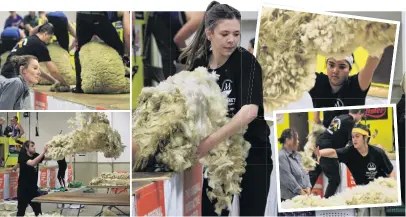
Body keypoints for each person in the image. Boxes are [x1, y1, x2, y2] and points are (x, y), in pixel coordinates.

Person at [180, 2, 272, 216]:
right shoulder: (198, 64)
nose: (231, 39)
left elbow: (249, 111)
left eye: (236, 33)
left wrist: (210, 141)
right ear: (210, 33)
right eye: (225, 34)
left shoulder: (246, 62)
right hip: (217, 156)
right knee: (213, 212)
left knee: (252, 212)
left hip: (253, 151)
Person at [309, 109, 365, 198]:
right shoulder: (351, 123)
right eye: (362, 115)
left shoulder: (340, 117)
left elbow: (334, 133)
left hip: (318, 144)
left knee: (312, 175)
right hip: (327, 149)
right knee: (334, 180)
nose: (361, 118)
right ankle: (326, 203)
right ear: (359, 112)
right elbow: (352, 143)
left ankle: (300, 198)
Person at [316, 123, 395, 185]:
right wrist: (318, 153)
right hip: (361, 191)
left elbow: (391, 172)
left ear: (365, 138)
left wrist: (390, 187)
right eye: (353, 137)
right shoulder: (349, 152)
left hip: (379, 188)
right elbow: (333, 152)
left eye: (357, 136)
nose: (354, 139)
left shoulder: (378, 152)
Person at [72, 11, 131, 93]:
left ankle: (79, 87)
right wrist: (128, 54)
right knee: (119, 47)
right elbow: (128, 34)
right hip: (97, 14)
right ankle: (120, 76)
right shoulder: (125, 11)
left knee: (80, 50)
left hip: (80, 14)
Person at [1, 23, 67, 87]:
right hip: (13, 77)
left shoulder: (29, 39)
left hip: (5, 73)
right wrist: (65, 85)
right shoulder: (40, 45)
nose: (50, 40)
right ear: (45, 34)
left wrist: (54, 81)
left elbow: (38, 70)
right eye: (50, 37)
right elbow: (53, 71)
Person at [146, 11, 204, 79]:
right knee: (170, 54)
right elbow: (178, 40)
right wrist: (187, 56)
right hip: (158, 17)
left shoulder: (200, 16)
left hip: (169, 22)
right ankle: (170, 85)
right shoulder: (199, 18)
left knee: (180, 56)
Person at [309, 54, 381, 108]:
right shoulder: (316, 81)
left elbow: (374, 57)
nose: (335, 71)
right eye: (331, 65)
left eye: (342, 67)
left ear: (350, 69)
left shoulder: (356, 85)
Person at [14, 140, 48, 216]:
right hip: (23, 189)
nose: (34, 147)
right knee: (21, 211)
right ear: (26, 148)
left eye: (34, 145)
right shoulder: (22, 155)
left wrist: (57, 153)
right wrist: (43, 152)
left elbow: (46, 157)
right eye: (32, 146)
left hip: (33, 189)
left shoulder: (35, 155)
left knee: (38, 210)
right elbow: (32, 163)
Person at [278, 129, 311, 200]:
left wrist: (308, 187)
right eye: (296, 139)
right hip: (288, 199)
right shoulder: (281, 156)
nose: (298, 142)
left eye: (298, 139)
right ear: (287, 140)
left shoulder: (297, 155)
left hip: (302, 196)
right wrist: (301, 191)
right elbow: (287, 178)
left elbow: (305, 171)